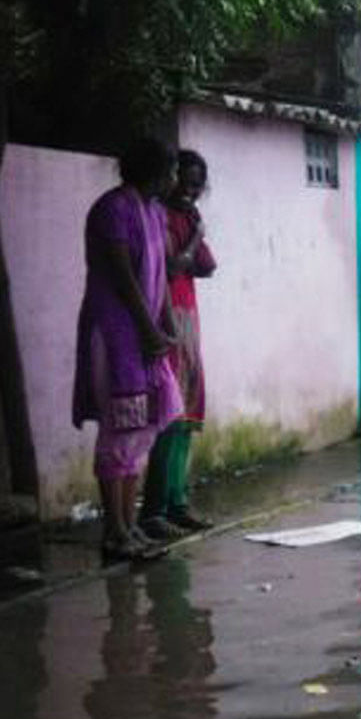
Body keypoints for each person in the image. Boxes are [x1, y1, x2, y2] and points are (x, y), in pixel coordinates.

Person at [73, 138, 183, 563]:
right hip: (116, 333)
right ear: (156, 171)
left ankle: (131, 526)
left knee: (145, 429)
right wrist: (146, 327)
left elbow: (161, 280)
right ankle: (114, 531)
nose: (174, 179)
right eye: (171, 171)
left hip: (147, 336)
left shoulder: (155, 213)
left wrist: (167, 326)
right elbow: (123, 278)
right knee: (120, 429)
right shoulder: (112, 210)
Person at [140, 149, 217, 539]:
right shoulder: (158, 217)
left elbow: (206, 266)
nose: (190, 191)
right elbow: (172, 267)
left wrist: (195, 236)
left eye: (196, 185)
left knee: (187, 416)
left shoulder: (186, 216)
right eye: (185, 182)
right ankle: (154, 509)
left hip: (188, 320)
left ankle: (178, 502)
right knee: (169, 417)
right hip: (167, 319)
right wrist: (196, 238)